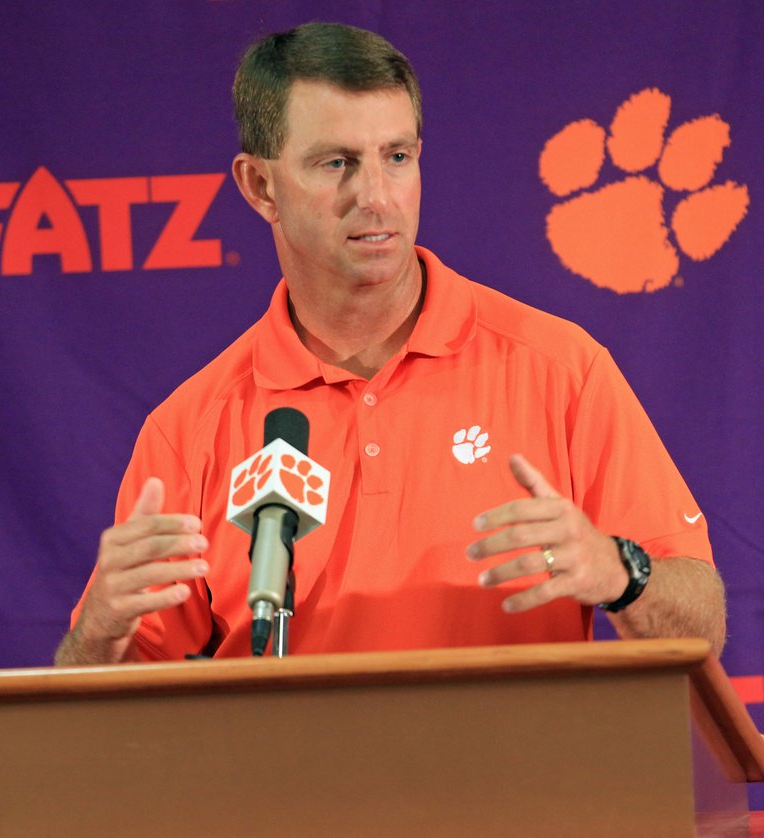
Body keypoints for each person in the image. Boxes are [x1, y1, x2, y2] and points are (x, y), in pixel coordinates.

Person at [55, 22, 725, 666]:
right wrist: (99, 630)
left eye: (396, 157)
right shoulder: (189, 429)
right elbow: (105, 720)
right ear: (261, 187)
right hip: (283, 784)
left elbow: (702, 626)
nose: (376, 196)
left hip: (518, 784)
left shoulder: (560, 369)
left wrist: (619, 573)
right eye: (337, 163)